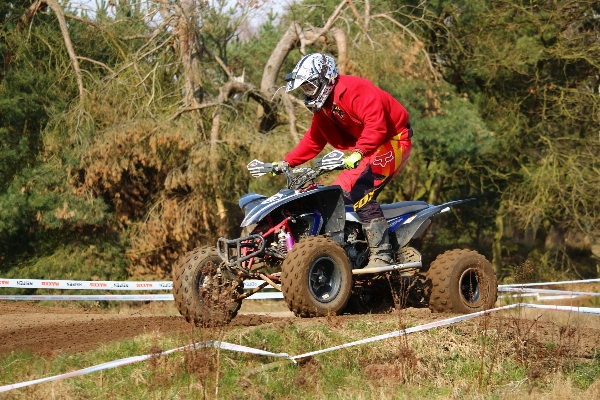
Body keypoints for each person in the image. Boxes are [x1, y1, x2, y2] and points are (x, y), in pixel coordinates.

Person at [272, 53, 413, 269]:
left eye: (310, 86)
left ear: (325, 79)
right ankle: (353, 253)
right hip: (365, 148)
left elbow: (376, 125)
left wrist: (358, 152)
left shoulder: (355, 90)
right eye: (304, 89)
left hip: (393, 140)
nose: (308, 93)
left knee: (360, 190)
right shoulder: (324, 109)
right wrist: (286, 162)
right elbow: (313, 140)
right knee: (335, 198)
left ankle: (382, 254)